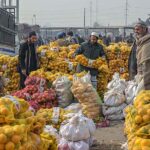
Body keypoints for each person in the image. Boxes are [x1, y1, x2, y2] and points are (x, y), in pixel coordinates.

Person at [134, 21, 150, 91]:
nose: (136, 31)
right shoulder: (139, 42)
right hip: (140, 74)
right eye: (135, 29)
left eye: (138, 29)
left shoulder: (148, 42)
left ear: (145, 29)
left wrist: (146, 83)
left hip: (146, 76)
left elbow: (146, 64)